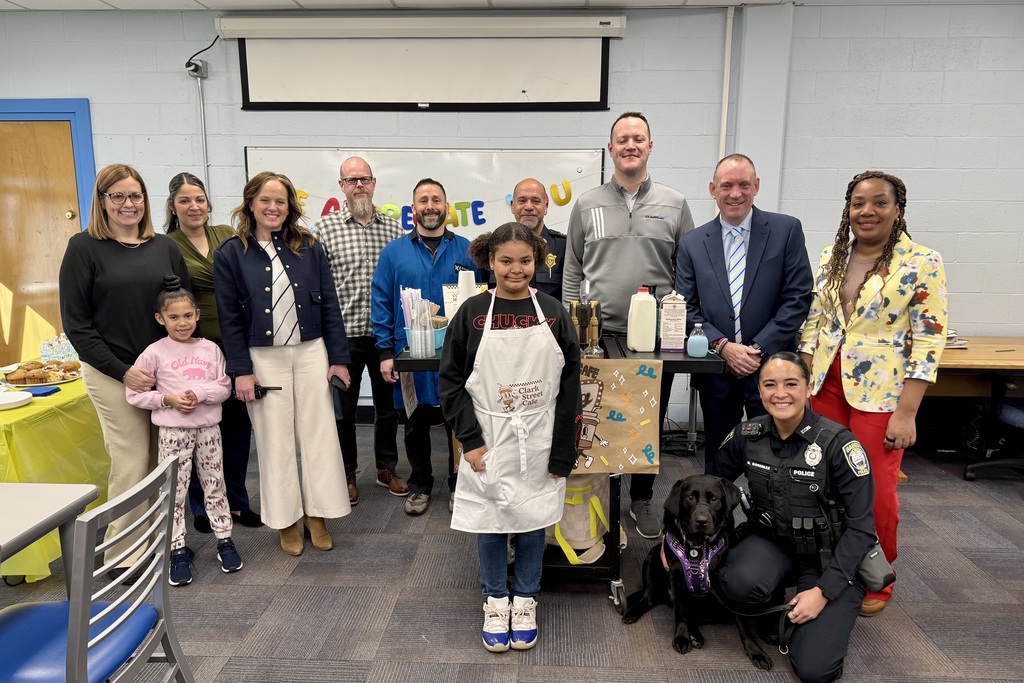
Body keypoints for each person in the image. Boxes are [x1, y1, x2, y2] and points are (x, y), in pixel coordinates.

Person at [798, 170, 948, 618]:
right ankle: (828, 563)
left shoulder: (921, 261)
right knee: (820, 480)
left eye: (879, 202)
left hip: (882, 398)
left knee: (875, 489)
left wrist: (908, 412)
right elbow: (816, 324)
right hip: (826, 386)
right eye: (859, 203)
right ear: (848, 210)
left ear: (897, 209)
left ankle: (878, 573)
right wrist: (804, 380)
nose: (868, 211)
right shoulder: (832, 257)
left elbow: (929, 341)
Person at [439, 222, 582, 652]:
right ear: (489, 261)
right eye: (506, 261)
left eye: (525, 261)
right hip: (489, 433)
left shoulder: (554, 312)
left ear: (537, 261)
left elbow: (571, 385)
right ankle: (495, 599)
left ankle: (526, 598)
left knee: (532, 519)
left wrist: (562, 451)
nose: (515, 269)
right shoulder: (472, 313)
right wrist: (471, 440)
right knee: (491, 519)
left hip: (539, 435)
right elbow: (450, 380)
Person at [562, 111, 695, 539]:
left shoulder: (675, 203)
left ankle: (640, 499)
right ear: (611, 148)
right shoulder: (586, 203)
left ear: (650, 146)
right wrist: (569, 327)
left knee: (647, 421)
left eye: (638, 138)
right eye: (622, 139)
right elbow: (572, 270)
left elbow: (687, 270)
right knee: (597, 417)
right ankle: (601, 495)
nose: (630, 145)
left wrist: (681, 325)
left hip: (655, 337)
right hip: (596, 336)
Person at [59, 163, 191, 581]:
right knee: (132, 461)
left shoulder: (164, 247)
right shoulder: (84, 247)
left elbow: (180, 306)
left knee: (163, 461)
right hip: (112, 372)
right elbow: (77, 325)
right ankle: (123, 555)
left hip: (163, 372)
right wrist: (124, 372)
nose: (128, 204)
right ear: (102, 201)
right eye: (117, 196)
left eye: (135, 196)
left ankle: (162, 543)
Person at [214, 171, 352, 557]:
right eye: (265, 200)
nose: (273, 207)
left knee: (319, 437)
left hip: (311, 353)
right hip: (263, 358)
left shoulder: (309, 246)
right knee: (275, 442)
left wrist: (339, 358)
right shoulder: (230, 253)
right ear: (250, 204)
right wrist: (241, 370)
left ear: (290, 206)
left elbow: (330, 305)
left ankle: (318, 515)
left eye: (281, 201)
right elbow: (229, 319)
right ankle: (287, 522)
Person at [715, 352, 876, 683]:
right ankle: (773, 598)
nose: (780, 394)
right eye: (770, 385)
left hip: (830, 560)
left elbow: (862, 529)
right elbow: (712, 486)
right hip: (773, 543)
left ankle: (810, 605)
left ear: (809, 387)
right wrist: (679, 541)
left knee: (816, 671)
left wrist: (824, 592)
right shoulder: (747, 435)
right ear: (759, 391)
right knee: (735, 583)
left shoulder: (839, 445)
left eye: (791, 384)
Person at [675, 153, 813, 477]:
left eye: (743, 185)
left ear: (757, 186)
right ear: (712, 189)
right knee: (719, 461)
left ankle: (775, 524)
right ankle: (717, 527)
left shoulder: (786, 230)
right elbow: (685, 307)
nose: (735, 193)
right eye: (726, 185)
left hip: (772, 369)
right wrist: (724, 346)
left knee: (780, 457)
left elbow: (798, 298)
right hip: (717, 371)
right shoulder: (692, 243)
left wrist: (756, 350)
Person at [371, 178, 483, 516]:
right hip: (411, 356)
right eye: (423, 200)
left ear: (447, 207)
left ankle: (457, 483)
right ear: (413, 208)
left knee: (458, 421)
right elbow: (381, 302)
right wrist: (385, 351)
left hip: (458, 356)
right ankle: (420, 483)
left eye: (436, 199)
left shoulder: (468, 249)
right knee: (415, 421)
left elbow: (481, 303)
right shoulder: (394, 253)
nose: (430, 205)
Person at [126, 276, 242, 586]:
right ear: (160, 319)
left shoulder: (210, 349)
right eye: (174, 317)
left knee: (215, 484)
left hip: (208, 431)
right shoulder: (153, 353)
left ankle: (224, 540)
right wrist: (168, 399)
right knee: (173, 492)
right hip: (172, 433)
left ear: (197, 315)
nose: (182, 323)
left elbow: (224, 387)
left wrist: (199, 394)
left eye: (188, 315)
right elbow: (134, 394)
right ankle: (176, 550)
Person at [164, 172, 262, 533]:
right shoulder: (167, 245)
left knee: (237, 429)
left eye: (200, 199)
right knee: (198, 430)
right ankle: (202, 506)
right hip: (194, 354)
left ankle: (237, 501)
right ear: (173, 206)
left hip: (235, 347)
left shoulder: (227, 235)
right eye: (186, 200)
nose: (194, 206)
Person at [315, 156, 408, 505]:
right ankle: (348, 473)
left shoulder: (394, 229)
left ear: (373, 183)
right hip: (344, 336)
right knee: (345, 411)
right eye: (351, 180)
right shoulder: (323, 230)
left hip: (385, 335)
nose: (359, 185)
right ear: (341, 186)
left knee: (388, 409)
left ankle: (386, 468)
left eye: (364, 179)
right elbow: (318, 288)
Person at [507, 177, 566, 300]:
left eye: (536, 201)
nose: (528, 207)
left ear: (546, 206)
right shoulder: (497, 247)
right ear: (513, 206)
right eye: (522, 200)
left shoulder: (564, 247)